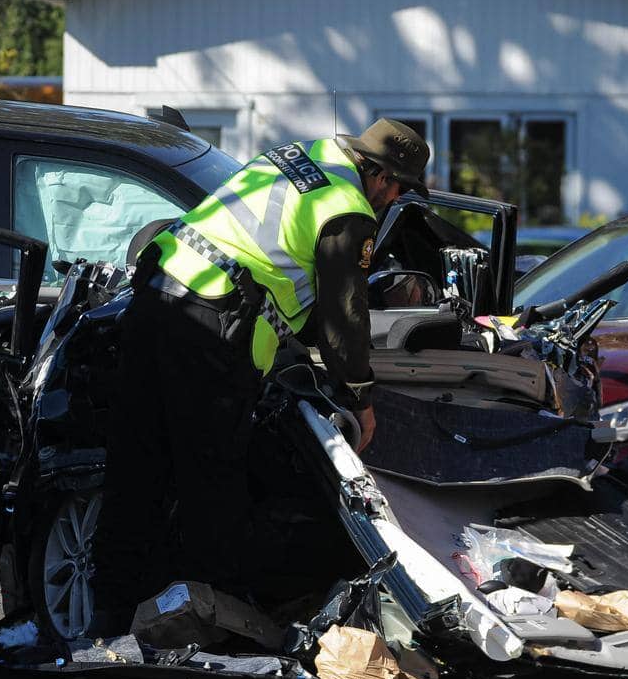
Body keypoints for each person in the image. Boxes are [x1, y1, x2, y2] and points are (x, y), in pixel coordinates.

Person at [87, 119, 430, 636]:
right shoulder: (346, 208)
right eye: (398, 188)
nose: (392, 200)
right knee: (213, 483)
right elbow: (344, 318)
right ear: (381, 177)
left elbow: (278, 260)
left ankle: (108, 616)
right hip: (210, 330)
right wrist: (359, 397)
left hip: (156, 299)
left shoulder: (300, 155)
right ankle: (210, 622)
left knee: (138, 466)